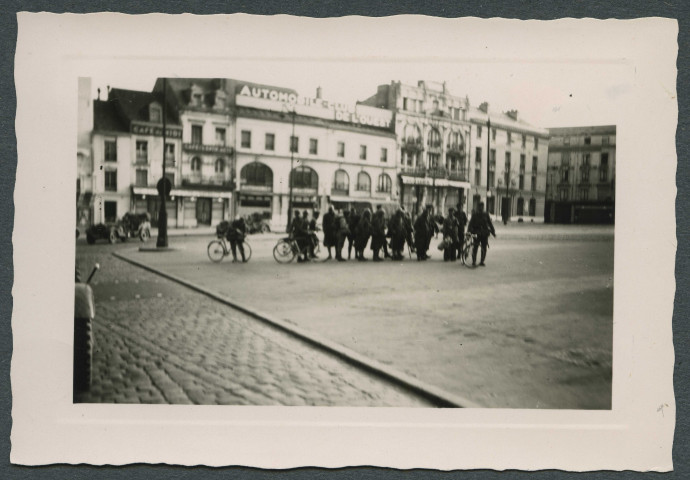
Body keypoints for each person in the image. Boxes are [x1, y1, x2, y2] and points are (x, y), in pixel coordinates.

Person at [467, 201, 496, 267]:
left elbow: (490, 223)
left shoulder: (486, 214)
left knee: (484, 248)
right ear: (478, 207)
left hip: (484, 234)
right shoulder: (474, 214)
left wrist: (493, 231)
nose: (481, 208)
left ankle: (482, 261)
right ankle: (474, 261)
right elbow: (470, 224)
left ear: (483, 207)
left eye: (482, 206)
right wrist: (469, 232)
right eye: (479, 206)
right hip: (476, 233)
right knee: (475, 247)